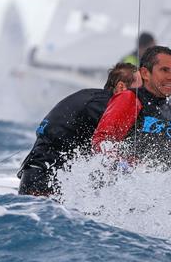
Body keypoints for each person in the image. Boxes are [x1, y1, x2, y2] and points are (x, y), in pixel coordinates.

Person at [17, 62, 142, 196]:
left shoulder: (89, 96)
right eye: (139, 93)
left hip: (33, 176)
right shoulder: (103, 105)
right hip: (44, 183)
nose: (141, 100)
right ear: (121, 87)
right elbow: (110, 144)